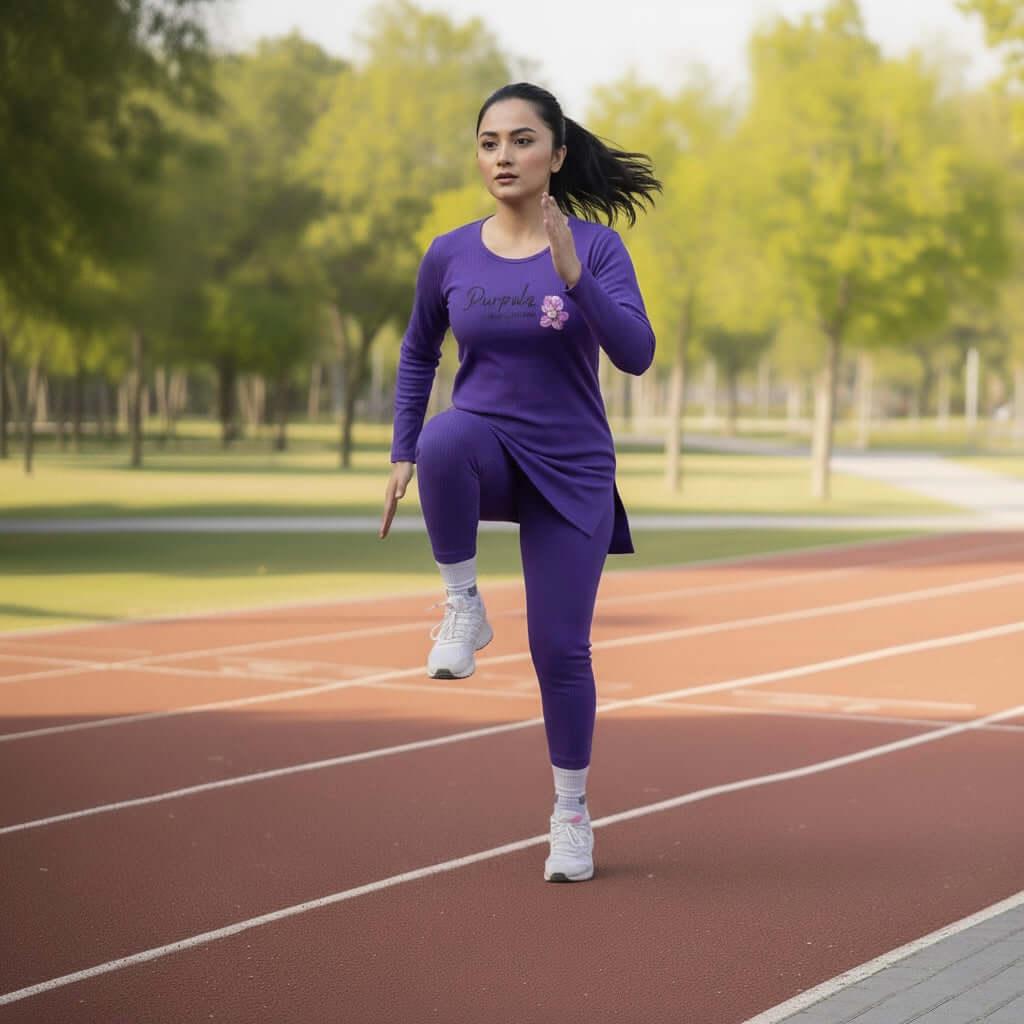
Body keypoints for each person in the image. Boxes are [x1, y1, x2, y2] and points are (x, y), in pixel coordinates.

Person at [379, 82, 661, 882]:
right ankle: (463, 607)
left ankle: (571, 816)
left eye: (522, 141)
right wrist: (403, 450)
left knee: (560, 649)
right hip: (490, 452)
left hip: (572, 469)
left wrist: (575, 276)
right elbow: (416, 352)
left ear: (557, 154)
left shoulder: (597, 248)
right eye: (489, 142)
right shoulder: (450, 252)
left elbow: (637, 354)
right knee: (444, 439)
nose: (503, 156)